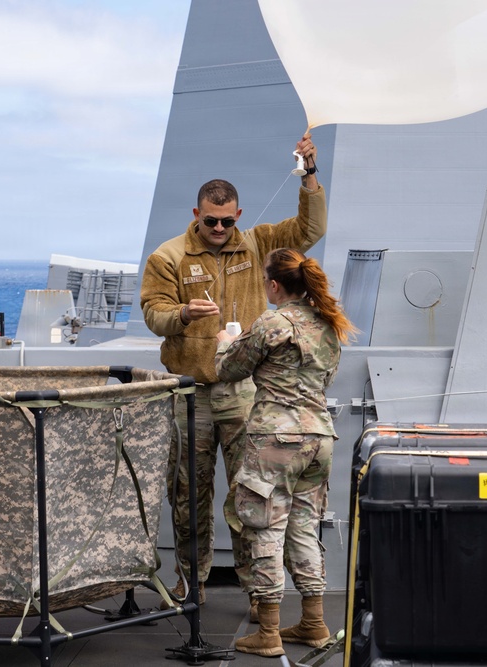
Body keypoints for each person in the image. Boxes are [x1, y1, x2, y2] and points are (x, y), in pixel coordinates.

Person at [140, 133, 326, 608]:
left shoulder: (259, 241)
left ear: (238, 216)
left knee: (251, 492)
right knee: (188, 495)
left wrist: (309, 176)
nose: (218, 228)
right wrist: (182, 314)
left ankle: (253, 584)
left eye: (226, 221)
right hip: (190, 394)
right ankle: (191, 581)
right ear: (195, 215)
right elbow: (153, 313)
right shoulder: (169, 257)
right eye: (210, 221)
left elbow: (310, 231)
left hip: (244, 394)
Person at [214, 248, 355, 657]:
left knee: (265, 527)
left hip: (276, 440)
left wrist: (226, 342)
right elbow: (326, 376)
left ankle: (269, 632)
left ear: (274, 285)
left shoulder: (273, 322)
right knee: (305, 528)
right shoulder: (329, 324)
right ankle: (313, 623)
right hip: (319, 438)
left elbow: (230, 370)